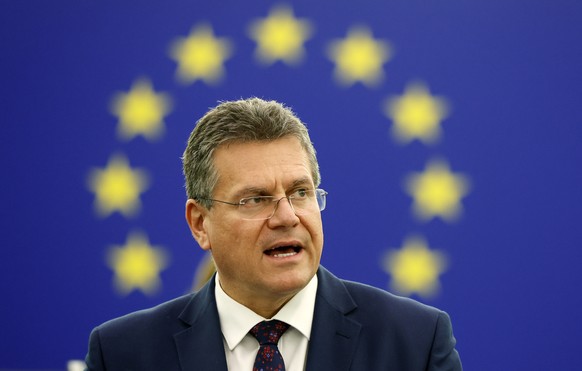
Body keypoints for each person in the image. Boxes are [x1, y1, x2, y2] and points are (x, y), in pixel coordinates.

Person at [84, 97, 462, 370]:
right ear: (200, 223)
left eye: (300, 192)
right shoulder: (123, 353)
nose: (286, 216)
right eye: (255, 199)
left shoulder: (415, 342)